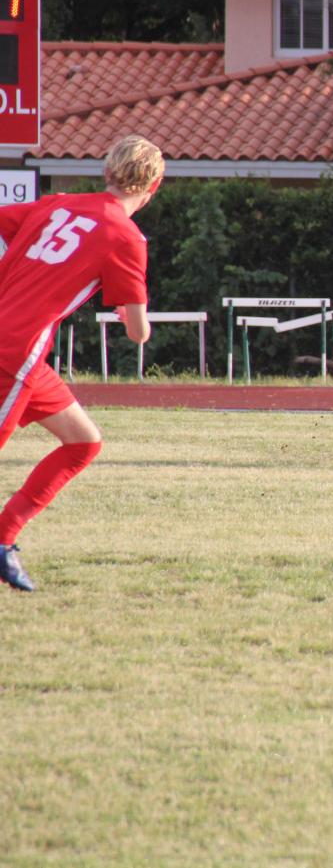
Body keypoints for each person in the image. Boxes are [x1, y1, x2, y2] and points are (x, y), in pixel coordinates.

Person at [0, 135, 164, 591]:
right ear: (153, 187)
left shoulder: (59, 203)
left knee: (83, 443)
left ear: (108, 170)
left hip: (27, 357)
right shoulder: (126, 237)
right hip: (13, 351)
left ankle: (3, 539)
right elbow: (137, 332)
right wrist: (130, 313)